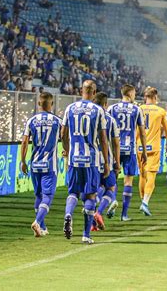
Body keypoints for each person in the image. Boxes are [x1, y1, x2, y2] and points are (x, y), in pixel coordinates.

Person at [61, 80, 110, 244]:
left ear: (81, 90)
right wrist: (107, 162)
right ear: (94, 92)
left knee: (73, 192)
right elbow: (103, 139)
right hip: (91, 160)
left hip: (74, 158)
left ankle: (68, 215)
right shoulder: (98, 110)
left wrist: (67, 151)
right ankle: (86, 235)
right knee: (90, 195)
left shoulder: (70, 108)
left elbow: (63, 134)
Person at [20, 92, 62, 237]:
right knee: (47, 197)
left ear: (39, 104)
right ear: (52, 104)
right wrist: (67, 152)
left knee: (38, 195)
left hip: (35, 164)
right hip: (49, 165)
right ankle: (37, 222)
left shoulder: (31, 121)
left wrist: (23, 161)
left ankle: (42, 228)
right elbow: (66, 139)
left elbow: (24, 142)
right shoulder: (58, 121)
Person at [107, 84, 147, 221]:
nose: (135, 95)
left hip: (114, 148)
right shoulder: (136, 109)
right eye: (134, 92)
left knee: (113, 179)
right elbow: (142, 132)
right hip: (130, 149)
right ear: (130, 93)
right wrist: (144, 151)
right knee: (128, 180)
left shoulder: (112, 108)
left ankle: (112, 200)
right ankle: (124, 214)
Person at [137, 87, 167, 216]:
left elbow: (136, 130)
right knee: (151, 175)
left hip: (140, 147)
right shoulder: (160, 111)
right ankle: (145, 203)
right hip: (154, 147)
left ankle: (142, 200)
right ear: (155, 97)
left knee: (142, 175)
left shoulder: (138, 109)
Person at [93, 92, 120, 230]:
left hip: (90, 161)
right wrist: (117, 162)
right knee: (110, 188)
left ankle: (92, 225)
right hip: (106, 160)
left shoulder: (88, 117)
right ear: (105, 104)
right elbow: (115, 144)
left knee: (93, 191)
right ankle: (98, 212)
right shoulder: (110, 120)